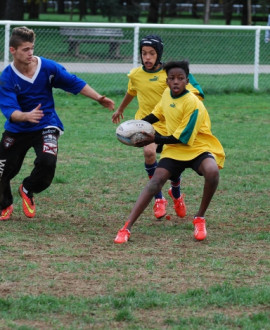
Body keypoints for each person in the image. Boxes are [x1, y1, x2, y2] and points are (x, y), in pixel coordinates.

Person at [0, 26, 114, 221]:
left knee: (47, 161)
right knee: (2, 171)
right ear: (13, 50)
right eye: (25, 49)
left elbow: (73, 82)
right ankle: (5, 204)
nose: (30, 53)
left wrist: (97, 98)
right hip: (18, 128)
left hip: (46, 124)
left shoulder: (48, 67)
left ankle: (28, 187)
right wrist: (25, 116)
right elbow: (10, 111)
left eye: (32, 48)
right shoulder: (6, 77)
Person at [114, 60, 225, 244]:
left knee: (212, 171)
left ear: (187, 81)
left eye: (180, 78)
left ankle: (199, 218)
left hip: (197, 147)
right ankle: (126, 227)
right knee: (155, 182)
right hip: (174, 151)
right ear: (166, 81)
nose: (175, 82)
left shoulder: (193, 104)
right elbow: (156, 115)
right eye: (172, 78)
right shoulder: (166, 94)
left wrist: (152, 139)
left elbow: (182, 138)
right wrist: (135, 127)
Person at [112, 35, 204, 220]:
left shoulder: (170, 74)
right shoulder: (135, 74)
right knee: (149, 153)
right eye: (144, 53)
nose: (147, 57)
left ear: (159, 54)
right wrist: (121, 109)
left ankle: (176, 192)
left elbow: (195, 93)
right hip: (147, 123)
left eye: (151, 53)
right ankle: (159, 198)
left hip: (170, 124)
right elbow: (131, 91)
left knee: (174, 165)